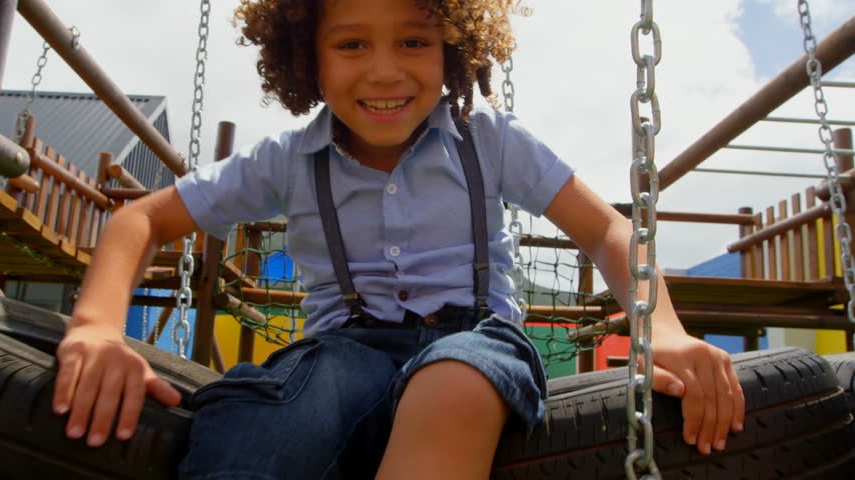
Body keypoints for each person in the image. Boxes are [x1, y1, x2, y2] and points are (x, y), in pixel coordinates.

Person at [52, 0, 746, 478]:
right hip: (342, 350)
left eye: (413, 41)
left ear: (453, 48)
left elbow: (606, 229)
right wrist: (96, 327)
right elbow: (139, 219)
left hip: (474, 336)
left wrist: (668, 331)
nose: (384, 70)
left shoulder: (488, 141)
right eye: (352, 43)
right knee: (266, 430)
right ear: (307, 57)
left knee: (454, 387)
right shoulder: (291, 159)